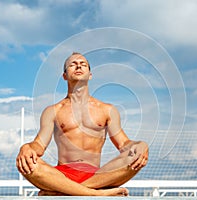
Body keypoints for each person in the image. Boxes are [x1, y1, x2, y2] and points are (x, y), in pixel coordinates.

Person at [16, 52, 149, 196]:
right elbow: (39, 146)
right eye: (72, 64)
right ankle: (95, 193)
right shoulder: (52, 111)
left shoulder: (107, 110)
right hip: (62, 174)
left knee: (135, 156)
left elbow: (124, 144)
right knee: (29, 163)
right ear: (65, 76)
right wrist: (26, 147)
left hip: (97, 176)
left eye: (83, 64)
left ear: (90, 75)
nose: (78, 65)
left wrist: (140, 145)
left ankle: (61, 190)